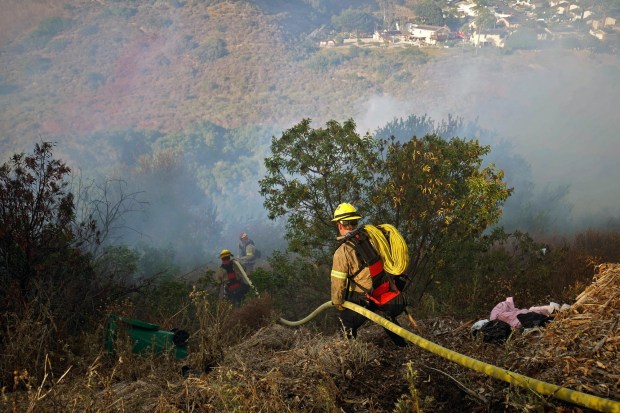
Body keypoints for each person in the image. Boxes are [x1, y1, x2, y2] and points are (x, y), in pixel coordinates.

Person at [330, 202, 407, 347]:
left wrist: (338, 304)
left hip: (364, 298)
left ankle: (351, 353)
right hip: (384, 290)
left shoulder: (342, 252)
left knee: (345, 321)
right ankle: (402, 346)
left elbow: (338, 285)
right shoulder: (372, 237)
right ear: (356, 221)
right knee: (386, 319)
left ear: (340, 225)